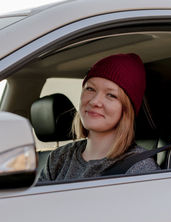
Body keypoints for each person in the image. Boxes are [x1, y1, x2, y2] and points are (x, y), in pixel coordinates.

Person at [38, 53, 159, 182]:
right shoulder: (59, 158)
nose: (95, 101)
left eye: (111, 95)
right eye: (90, 89)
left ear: (126, 109)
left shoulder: (139, 168)